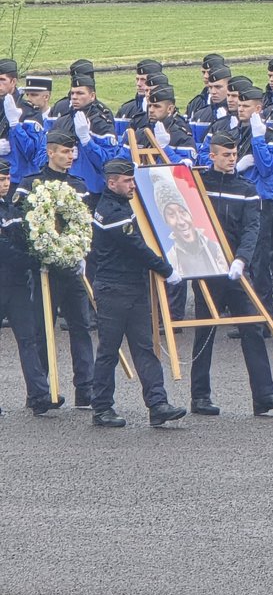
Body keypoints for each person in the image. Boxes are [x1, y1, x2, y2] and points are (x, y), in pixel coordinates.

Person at [188, 132, 273, 417]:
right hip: (207, 267)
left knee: (252, 328)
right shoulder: (198, 185)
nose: (231, 159)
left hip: (235, 269)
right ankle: (199, 396)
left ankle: (264, 394)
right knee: (205, 330)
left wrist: (242, 259)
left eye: (233, 155)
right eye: (225, 155)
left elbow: (252, 228)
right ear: (212, 156)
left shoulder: (246, 189)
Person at [89, 159, 187, 427]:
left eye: (132, 179)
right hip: (113, 288)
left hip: (132, 286)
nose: (132, 185)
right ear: (112, 183)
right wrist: (166, 270)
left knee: (144, 348)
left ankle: (158, 404)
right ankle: (101, 407)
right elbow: (136, 247)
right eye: (127, 181)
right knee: (109, 350)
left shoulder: (120, 204)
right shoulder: (111, 212)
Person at [16, 128, 95, 408]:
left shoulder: (79, 185)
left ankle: (86, 388)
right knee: (42, 329)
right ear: (51, 152)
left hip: (72, 266)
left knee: (81, 327)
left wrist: (79, 254)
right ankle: (39, 392)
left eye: (72, 151)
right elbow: (24, 224)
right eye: (64, 151)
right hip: (42, 269)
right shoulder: (31, 183)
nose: (70, 156)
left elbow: (84, 224)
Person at [0, 159, 62, 415]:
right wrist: (32, 261)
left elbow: (24, 239)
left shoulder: (11, 209)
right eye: (0, 180)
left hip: (16, 286)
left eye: (6, 179)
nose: (5, 184)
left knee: (29, 339)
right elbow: (5, 250)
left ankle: (39, 394)